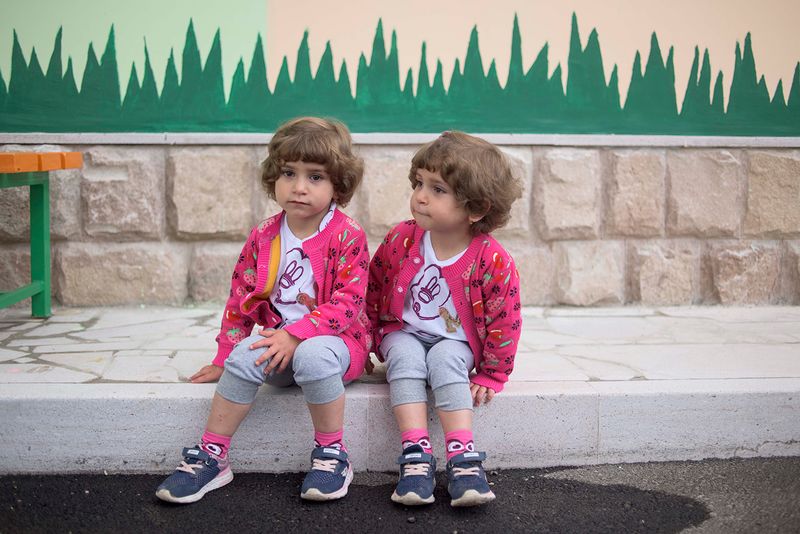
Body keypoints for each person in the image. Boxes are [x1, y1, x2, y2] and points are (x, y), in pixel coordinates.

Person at [156, 117, 372, 503]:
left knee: (315, 355)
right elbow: (240, 297)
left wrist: (296, 334)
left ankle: (331, 453)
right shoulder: (265, 234)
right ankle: (212, 454)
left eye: (315, 177)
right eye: (289, 173)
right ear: (274, 177)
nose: (299, 186)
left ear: (338, 185)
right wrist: (225, 356)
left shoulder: (346, 234)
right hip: (280, 348)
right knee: (243, 359)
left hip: (337, 344)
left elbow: (349, 301)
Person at [367, 131, 523, 507]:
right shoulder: (402, 239)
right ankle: (416, 455)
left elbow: (506, 320)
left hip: (457, 342)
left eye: (438, 189)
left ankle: (462, 458)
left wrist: (492, 373)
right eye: (419, 182)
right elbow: (374, 285)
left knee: (445, 359)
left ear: (476, 208)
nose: (420, 195)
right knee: (405, 356)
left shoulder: (492, 260)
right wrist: (368, 338)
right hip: (403, 331)